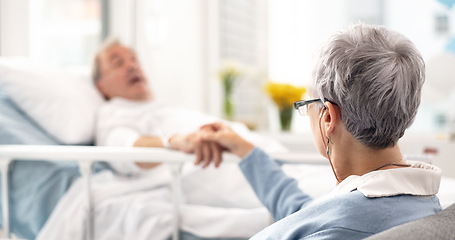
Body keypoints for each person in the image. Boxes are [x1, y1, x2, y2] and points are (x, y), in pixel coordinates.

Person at [197, 24, 442, 239]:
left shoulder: (345, 225)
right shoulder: (420, 204)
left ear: (327, 117)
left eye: (308, 105)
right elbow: (306, 214)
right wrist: (246, 151)